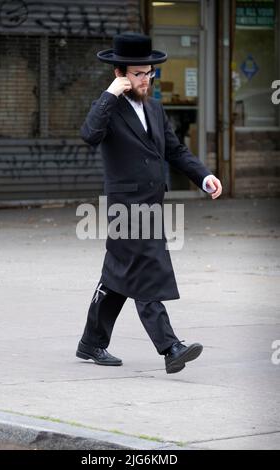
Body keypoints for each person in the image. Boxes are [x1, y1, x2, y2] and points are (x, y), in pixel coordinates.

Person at [76, 32, 222, 374]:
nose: (147, 79)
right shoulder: (109, 108)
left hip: (152, 207)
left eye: (149, 72)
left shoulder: (155, 109)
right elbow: (88, 135)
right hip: (125, 209)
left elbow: (175, 151)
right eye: (139, 73)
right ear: (121, 74)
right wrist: (110, 94)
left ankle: (91, 342)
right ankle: (171, 348)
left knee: (117, 276)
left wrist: (203, 176)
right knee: (144, 272)